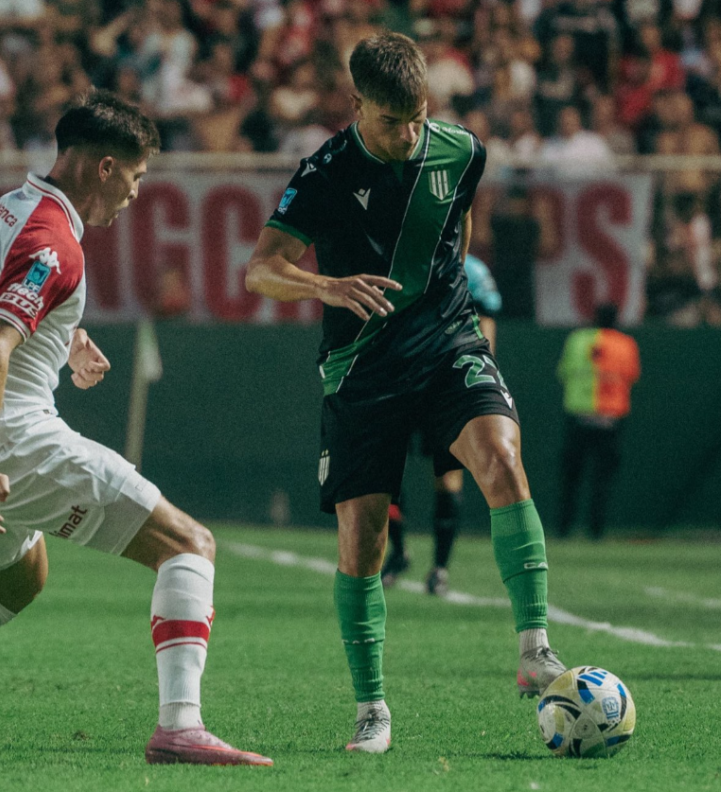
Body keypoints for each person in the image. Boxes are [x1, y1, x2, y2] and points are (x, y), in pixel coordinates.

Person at [0, 90, 272, 767]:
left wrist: (67, 339)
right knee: (189, 543)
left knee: (21, 581)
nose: (133, 195)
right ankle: (180, 727)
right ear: (104, 167)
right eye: (133, 178)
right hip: (9, 446)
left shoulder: (6, 212)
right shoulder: (55, 240)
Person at [244, 32, 565, 754]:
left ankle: (534, 644)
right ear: (357, 105)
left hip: (448, 340)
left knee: (503, 461)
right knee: (364, 537)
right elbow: (260, 270)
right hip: (362, 366)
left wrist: (449, 287)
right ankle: (372, 709)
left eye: (420, 115)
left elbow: (460, 218)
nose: (410, 132)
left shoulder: (460, 150)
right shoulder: (322, 173)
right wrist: (327, 285)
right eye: (394, 121)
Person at [381, 253, 503, 596]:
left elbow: (487, 324)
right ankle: (399, 551)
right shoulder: (400, 254)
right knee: (383, 472)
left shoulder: (473, 270)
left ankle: (439, 568)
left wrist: (478, 380)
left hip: (446, 387)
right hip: (401, 382)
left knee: (448, 478)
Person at [556, 303, 640, 539]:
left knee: (571, 479)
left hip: (578, 416)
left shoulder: (577, 340)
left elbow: (563, 372)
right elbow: (632, 375)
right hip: (610, 419)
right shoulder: (626, 344)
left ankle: (564, 528)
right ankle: (596, 530)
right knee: (601, 480)